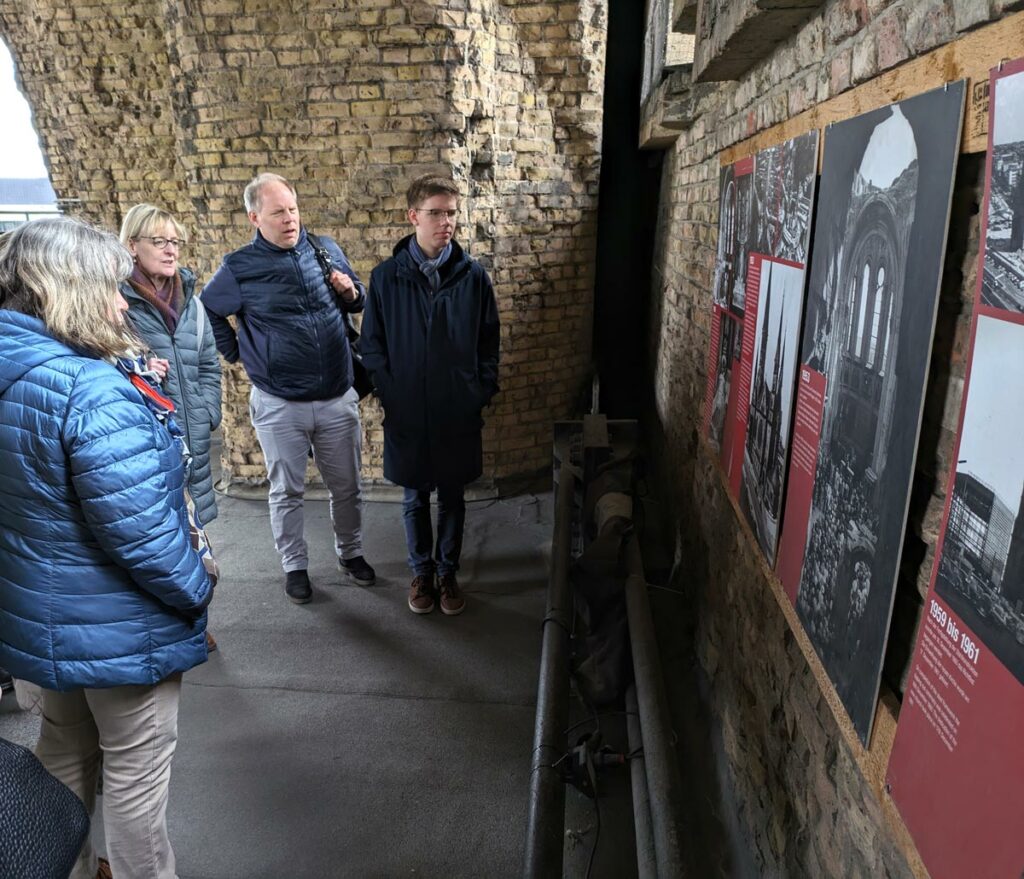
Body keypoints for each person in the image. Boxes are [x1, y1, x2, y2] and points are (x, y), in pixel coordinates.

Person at [0, 217, 213, 879]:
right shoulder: (90, 391)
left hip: (37, 617)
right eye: (112, 289)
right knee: (137, 770)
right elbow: (146, 536)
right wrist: (197, 587)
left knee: (64, 748)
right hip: (116, 627)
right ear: (74, 292)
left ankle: (68, 863)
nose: (125, 302)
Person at [202, 172, 375, 603]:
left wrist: (352, 290)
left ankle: (350, 553)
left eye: (293, 209)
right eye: (278, 212)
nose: (289, 219)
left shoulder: (325, 249)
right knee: (287, 491)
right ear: (254, 217)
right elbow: (208, 310)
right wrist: (238, 353)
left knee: (348, 486)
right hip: (279, 402)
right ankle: (295, 566)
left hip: (337, 394)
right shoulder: (239, 266)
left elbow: (358, 301)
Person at [361, 174, 500, 616]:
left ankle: (448, 571)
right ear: (413, 217)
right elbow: (372, 344)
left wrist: (478, 391)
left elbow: (488, 340)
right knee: (415, 495)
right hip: (408, 409)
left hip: (456, 407)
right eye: (436, 213)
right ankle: (422, 572)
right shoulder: (386, 278)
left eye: (452, 213)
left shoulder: (472, 276)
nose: (446, 222)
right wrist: (391, 392)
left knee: (454, 494)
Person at [120, 204, 222, 651]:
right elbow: (107, 364)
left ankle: (195, 619)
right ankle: (168, 626)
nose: (169, 250)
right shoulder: (118, 302)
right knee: (158, 537)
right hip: (149, 438)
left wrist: (208, 412)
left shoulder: (192, 301)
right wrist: (141, 373)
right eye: (158, 241)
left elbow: (209, 366)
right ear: (132, 246)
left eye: (174, 241)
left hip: (192, 435)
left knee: (195, 534)